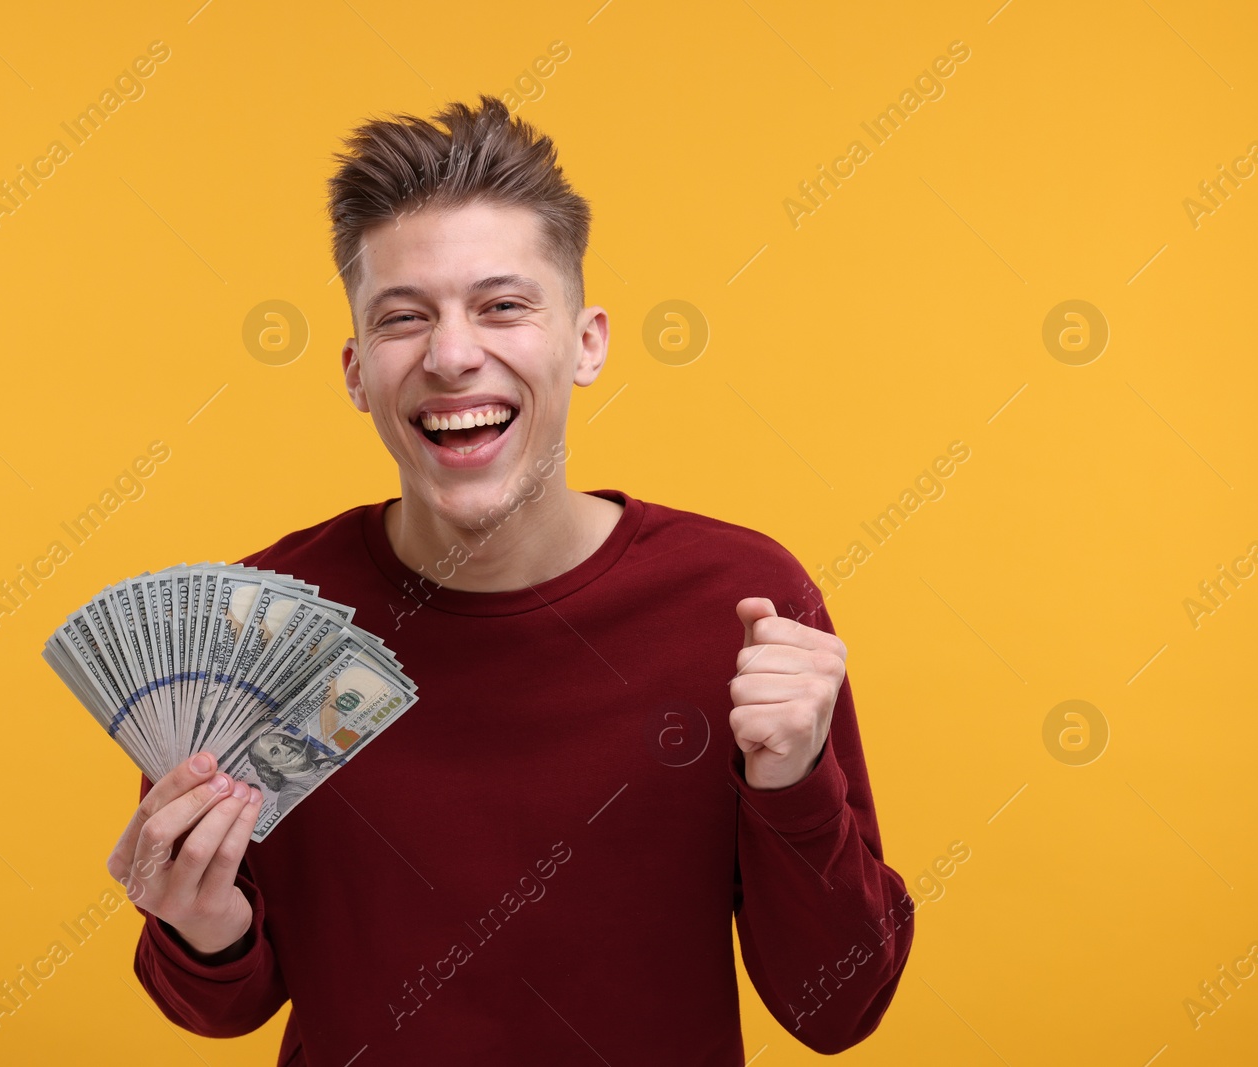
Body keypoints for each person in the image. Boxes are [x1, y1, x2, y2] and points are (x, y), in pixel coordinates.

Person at [106, 94, 914, 1065]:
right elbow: (222, 1006)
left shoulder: (738, 602)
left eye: (502, 305)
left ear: (586, 342)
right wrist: (203, 920)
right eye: (404, 317)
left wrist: (792, 784)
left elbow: (839, 1006)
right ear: (357, 371)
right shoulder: (259, 626)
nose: (451, 354)